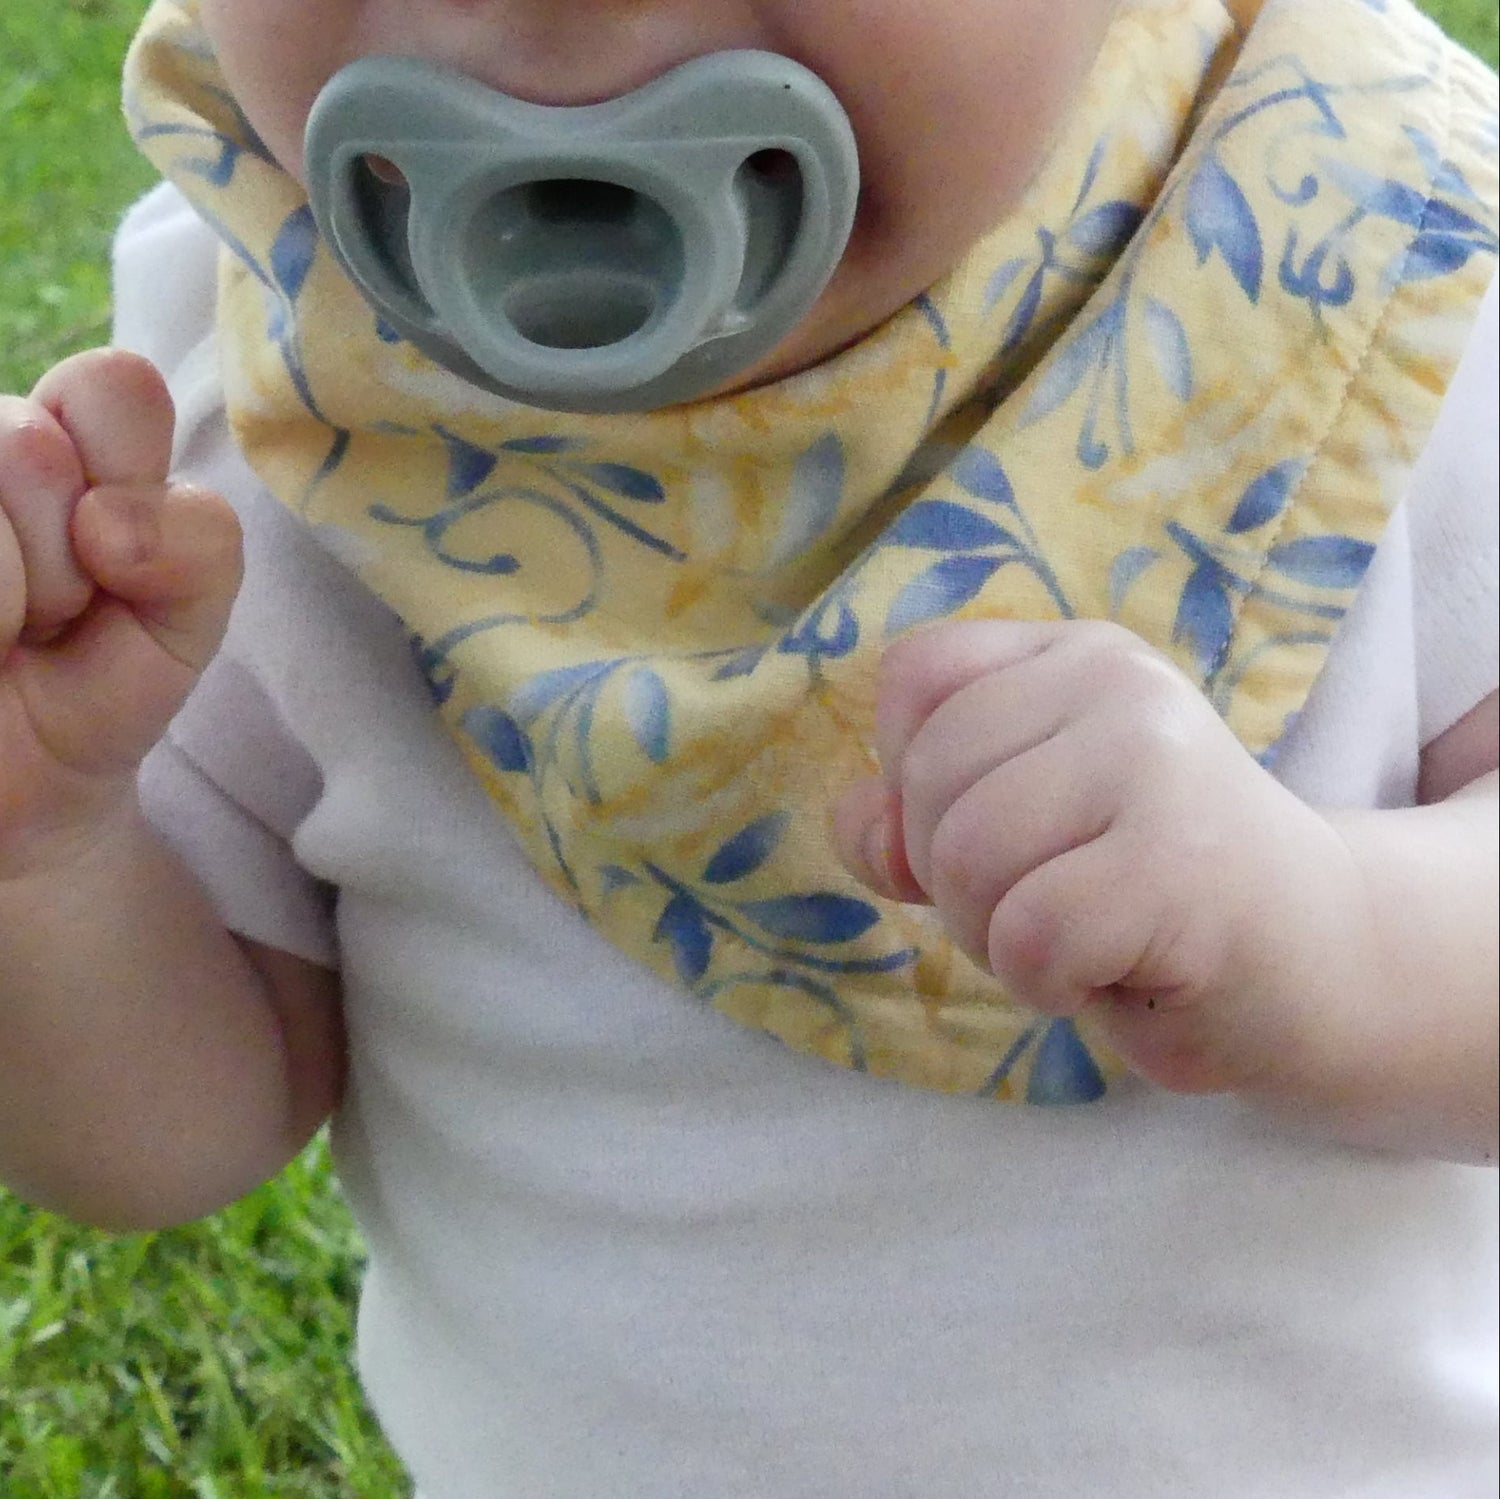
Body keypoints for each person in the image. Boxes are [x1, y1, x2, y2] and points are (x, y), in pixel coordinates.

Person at [2, 0, 1496, 1493]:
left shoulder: (1381, 257)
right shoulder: (278, 393)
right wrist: (48, 850)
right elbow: (177, 1132)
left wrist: (1335, 930)